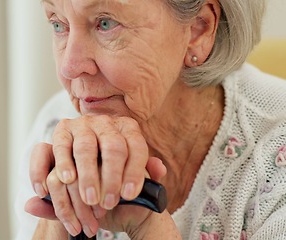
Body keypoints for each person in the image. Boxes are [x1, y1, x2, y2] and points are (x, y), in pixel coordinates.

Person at [15, 0, 286, 239]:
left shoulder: (277, 156)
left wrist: (147, 222)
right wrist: (63, 216)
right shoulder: (56, 126)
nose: (69, 67)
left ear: (198, 29)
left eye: (106, 23)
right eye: (58, 24)